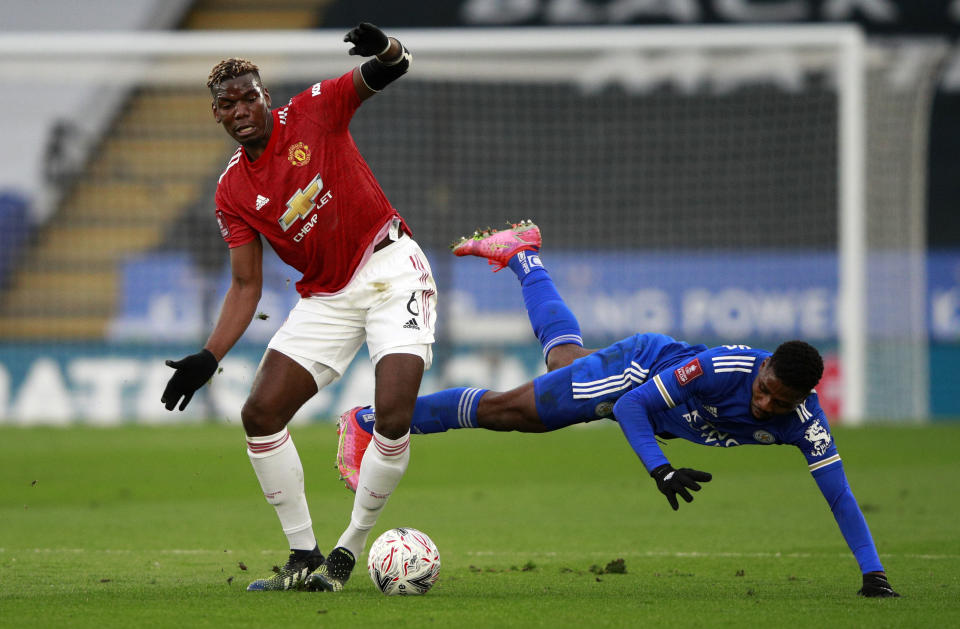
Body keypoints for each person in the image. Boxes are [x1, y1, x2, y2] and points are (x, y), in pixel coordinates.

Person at [336, 220, 900, 598]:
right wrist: (661, 469)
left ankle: (523, 255)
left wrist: (872, 573)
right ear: (765, 366)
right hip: (641, 372)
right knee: (517, 412)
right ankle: (369, 419)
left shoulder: (805, 424)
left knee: (564, 364)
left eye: (779, 401)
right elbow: (632, 406)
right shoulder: (723, 370)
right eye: (766, 387)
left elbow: (839, 493)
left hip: (650, 402)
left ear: (803, 401)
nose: (766, 403)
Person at [161, 23, 437, 593]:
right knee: (259, 415)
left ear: (265, 96)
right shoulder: (232, 191)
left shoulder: (314, 110)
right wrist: (210, 358)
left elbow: (396, 65)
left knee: (392, 416)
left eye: (248, 96)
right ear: (216, 115)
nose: (240, 109)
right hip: (326, 296)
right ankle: (303, 554)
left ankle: (347, 551)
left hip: (389, 266)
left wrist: (383, 47)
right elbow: (245, 286)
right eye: (227, 103)